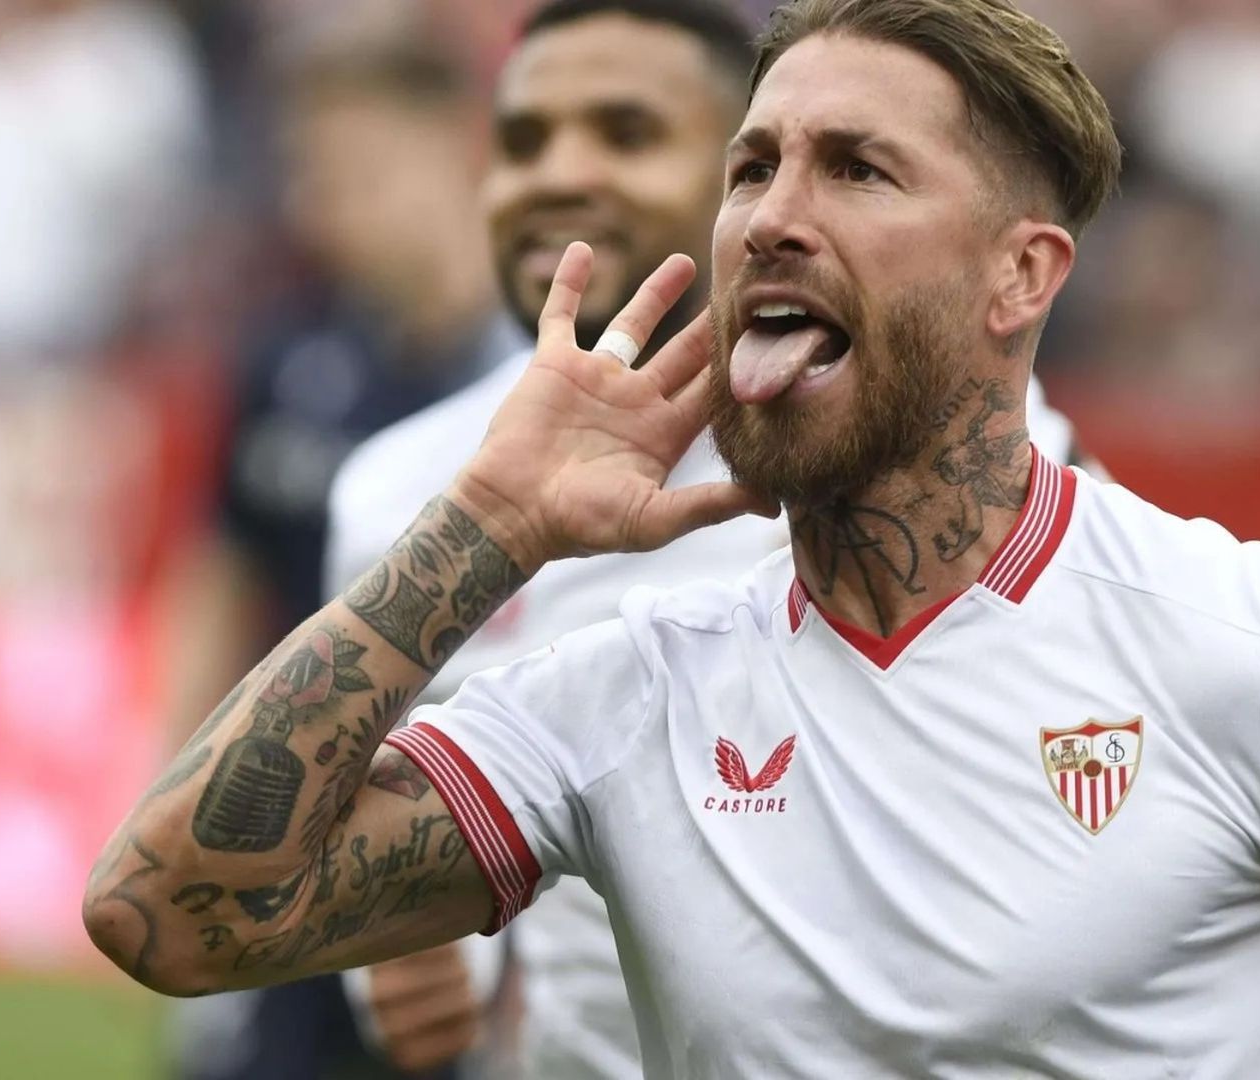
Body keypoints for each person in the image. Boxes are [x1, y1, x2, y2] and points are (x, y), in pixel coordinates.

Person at [86, 1, 1260, 1076]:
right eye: (753, 167)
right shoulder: (625, 690)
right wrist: (492, 524)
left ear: (1022, 275)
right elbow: (170, 915)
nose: (772, 214)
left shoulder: (1253, 657)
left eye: (857, 170)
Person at [322, 2, 1086, 1074]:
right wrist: (396, 943)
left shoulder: (911, 454)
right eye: (523, 141)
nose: (559, 174)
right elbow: (361, 807)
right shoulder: (402, 490)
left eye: (627, 133)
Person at [166, 27, 514, 1080]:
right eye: (311, 177)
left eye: (358, 173)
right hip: (284, 824)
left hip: (463, 831)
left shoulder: (541, 385)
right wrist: (173, 788)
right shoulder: (284, 362)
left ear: (462, 154)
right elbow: (225, 585)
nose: (322, 209)